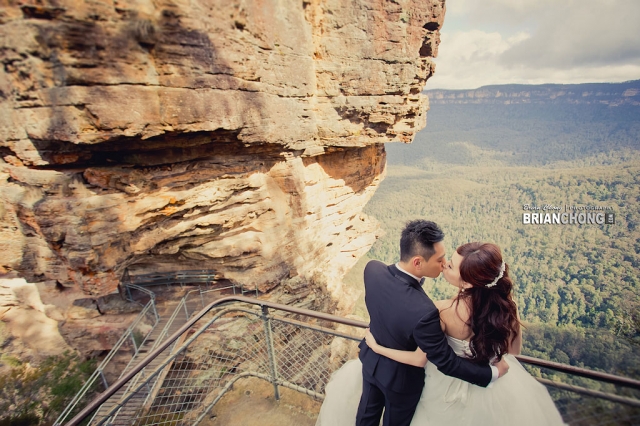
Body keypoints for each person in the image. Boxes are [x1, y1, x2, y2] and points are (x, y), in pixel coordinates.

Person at [316, 240, 565, 426]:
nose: (445, 264)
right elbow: (512, 354)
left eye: (452, 265)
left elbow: (418, 359)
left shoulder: (442, 311)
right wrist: (489, 363)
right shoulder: (507, 308)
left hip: (442, 388)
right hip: (494, 385)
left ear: (467, 283)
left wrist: (378, 346)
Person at [322, 220, 510, 426]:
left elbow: (393, 301)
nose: (444, 263)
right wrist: (491, 373)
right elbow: (448, 363)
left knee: (366, 417)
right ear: (418, 262)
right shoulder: (426, 312)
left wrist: (376, 346)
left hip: (370, 363)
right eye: (440, 259)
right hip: (400, 382)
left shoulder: (372, 270)